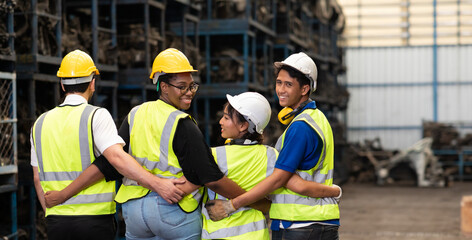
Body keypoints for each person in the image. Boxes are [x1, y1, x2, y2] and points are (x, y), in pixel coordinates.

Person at [44, 48, 259, 239]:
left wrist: (65, 193)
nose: (189, 92)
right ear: (163, 87)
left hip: (135, 214)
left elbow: (109, 164)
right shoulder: (182, 123)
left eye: (192, 86)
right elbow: (211, 177)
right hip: (173, 209)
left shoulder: (135, 114)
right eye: (182, 87)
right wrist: (256, 202)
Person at [30, 50, 185, 240]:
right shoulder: (95, 115)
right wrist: (158, 184)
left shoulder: (39, 123)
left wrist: (51, 213)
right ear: (93, 83)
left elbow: (37, 178)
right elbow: (117, 158)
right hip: (94, 221)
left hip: (57, 221)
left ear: (62, 85)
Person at [206, 52, 341, 240]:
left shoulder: (300, 127)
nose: (281, 90)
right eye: (279, 82)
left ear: (305, 89)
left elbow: (282, 180)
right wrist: (334, 190)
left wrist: (232, 205)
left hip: (299, 223)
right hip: (319, 221)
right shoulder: (318, 119)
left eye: (288, 84)